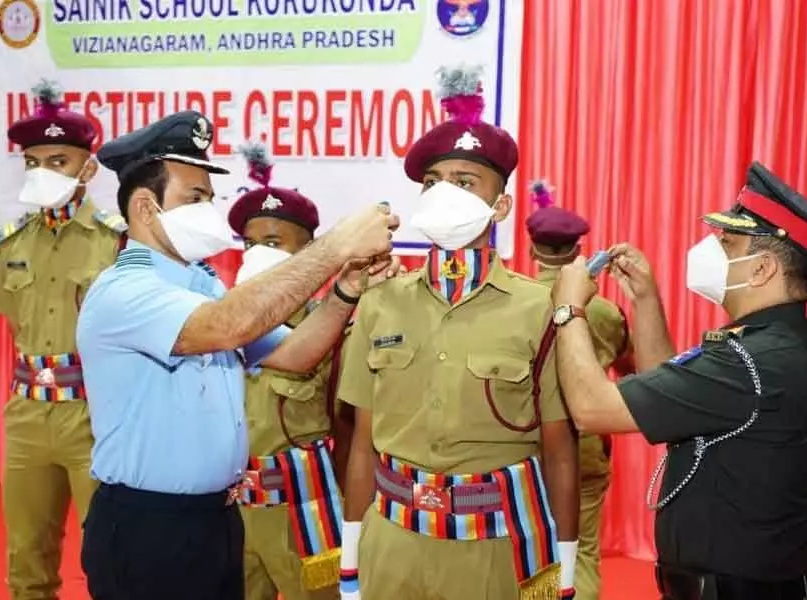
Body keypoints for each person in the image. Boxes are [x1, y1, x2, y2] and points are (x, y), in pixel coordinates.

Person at [75, 110, 400, 600]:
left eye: (209, 196)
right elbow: (228, 326)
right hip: (149, 529)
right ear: (145, 209)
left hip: (217, 520)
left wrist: (345, 292)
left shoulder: (202, 285)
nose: (208, 209)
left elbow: (294, 353)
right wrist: (334, 247)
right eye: (194, 197)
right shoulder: (124, 291)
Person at [551, 161, 807, 600]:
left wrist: (568, 308)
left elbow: (592, 410)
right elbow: (667, 389)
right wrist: (646, 299)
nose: (709, 249)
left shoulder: (754, 362)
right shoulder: (778, 344)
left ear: (761, 271)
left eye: (727, 242)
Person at [337, 65, 579, 600]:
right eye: (432, 182)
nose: (443, 193)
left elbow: (561, 450)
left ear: (501, 205)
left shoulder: (540, 306)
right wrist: (351, 563)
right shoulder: (378, 301)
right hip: (392, 538)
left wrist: (564, 570)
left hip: (494, 545)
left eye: (465, 182)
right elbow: (360, 445)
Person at [0, 79, 126, 600]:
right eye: (33, 162)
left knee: (106, 558)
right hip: (26, 413)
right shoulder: (12, 242)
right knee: (26, 559)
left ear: (88, 169)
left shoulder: (115, 240)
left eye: (58, 161)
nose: (43, 173)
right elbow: (13, 325)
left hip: (93, 415)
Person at [226, 142, 350, 600]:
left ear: (309, 249)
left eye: (274, 243)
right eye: (251, 243)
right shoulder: (221, 323)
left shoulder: (332, 328)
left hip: (305, 506)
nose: (258, 253)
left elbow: (350, 422)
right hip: (234, 505)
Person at [524, 181, 630, 600]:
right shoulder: (603, 310)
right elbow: (633, 367)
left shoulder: (511, 302)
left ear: (533, 250)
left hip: (523, 442)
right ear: (577, 250)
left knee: (526, 547)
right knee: (581, 551)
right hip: (584, 441)